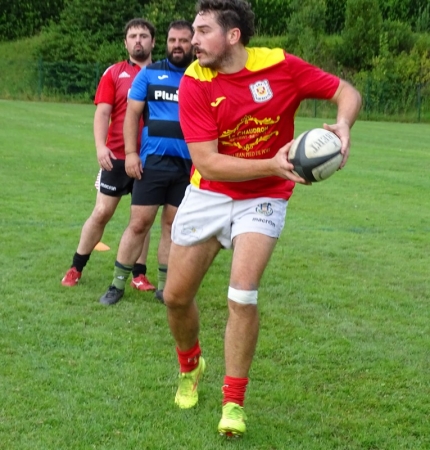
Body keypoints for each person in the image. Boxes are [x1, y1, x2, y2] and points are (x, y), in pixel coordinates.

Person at [162, 0, 362, 438]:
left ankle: (233, 402)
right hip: (209, 193)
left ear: (233, 36)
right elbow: (209, 164)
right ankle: (190, 365)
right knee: (175, 297)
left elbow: (347, 92)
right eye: (193, 31)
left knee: (243, 295)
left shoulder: (280, 66)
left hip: (265, 199)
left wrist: (344, 125)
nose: (192, 40)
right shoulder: (195, 82)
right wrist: (273, 163)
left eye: (202, 30)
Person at [98, 20, 194, 306]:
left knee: (172, 226)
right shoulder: (150, 74)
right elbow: (131, 115)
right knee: (139, 224)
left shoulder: (201, 76)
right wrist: (130, 153)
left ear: (193, 43)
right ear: (165, 42)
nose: (177, 45)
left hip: (188, 166)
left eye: (184, 40)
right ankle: (117, 284)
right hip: (152, 163)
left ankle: (164, 287)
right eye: (173, 40)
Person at [61, 18, 156, 292]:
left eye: (143, 35)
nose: (138, 40)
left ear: (152, 41)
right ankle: (76, 267)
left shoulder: (162, 74)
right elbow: (102, 112)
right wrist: (101, 147)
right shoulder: (114, 73)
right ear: (126, 42)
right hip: (115, 156)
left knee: (142, 219)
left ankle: (138, 273)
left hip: (149, 157)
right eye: (133, 36)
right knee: (102, 211)